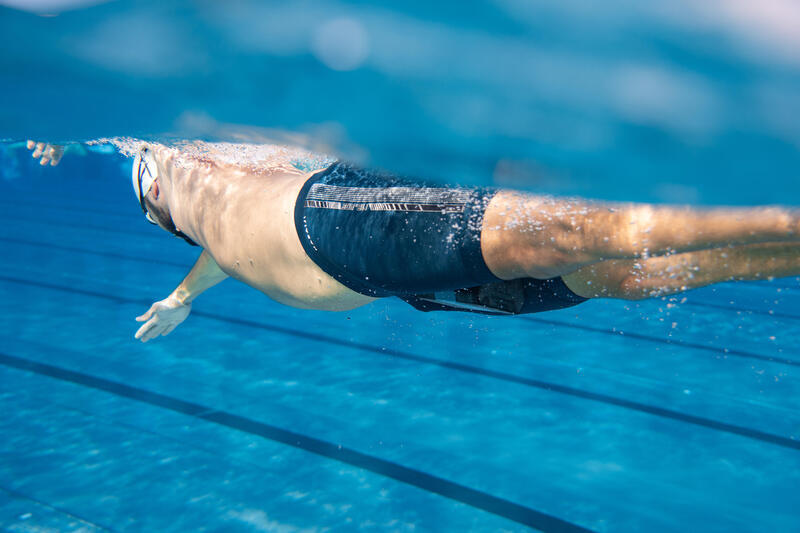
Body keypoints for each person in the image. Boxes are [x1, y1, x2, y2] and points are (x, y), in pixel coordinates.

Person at [30, 141, 800, 342]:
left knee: (568, 231)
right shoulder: (201, 221)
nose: (146, 180)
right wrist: (182, 294)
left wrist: (61, 143)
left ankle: (783, 218)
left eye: (143, 172)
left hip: (337, 218)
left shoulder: (194, 164)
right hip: (403, 283)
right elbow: (221, 253)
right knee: (612, 275)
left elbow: (170, 141)